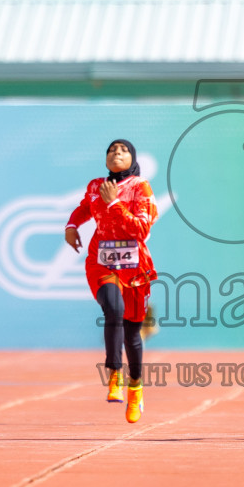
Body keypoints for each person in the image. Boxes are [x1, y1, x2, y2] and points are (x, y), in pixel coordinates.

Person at [64, 139, 159, 423]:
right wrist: (71, 225)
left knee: (132, 331)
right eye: (111, 151)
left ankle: (136, 388)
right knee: (112, 309)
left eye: (123, 150)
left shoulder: (140, 187)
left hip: (134, 266)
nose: (117, 153)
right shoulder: (96, 186)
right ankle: (114, 374)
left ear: (133, 158)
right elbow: (84, 208)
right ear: (105, 160)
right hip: (101, 260)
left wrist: (115, 203)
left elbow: (141, 229)